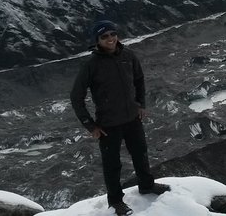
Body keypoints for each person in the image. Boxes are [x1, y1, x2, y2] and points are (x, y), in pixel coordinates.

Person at [70, 20, 170, 215]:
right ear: (97, 40)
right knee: (112, 165)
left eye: (112, 34)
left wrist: (140, 104)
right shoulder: (91, 65)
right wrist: (91, 126)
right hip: (108, 124)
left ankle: (147, 185)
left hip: (132, 119)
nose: (110, 39)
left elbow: (139, 80)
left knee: (141, 154)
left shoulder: (128, 56)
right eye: (104, 36)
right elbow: (76, 97)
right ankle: (116, 201)